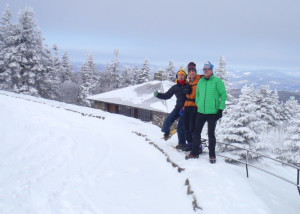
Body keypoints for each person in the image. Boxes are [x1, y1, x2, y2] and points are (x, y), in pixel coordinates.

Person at [185, 61, 227, 164]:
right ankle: (194, 152)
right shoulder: (201, 81)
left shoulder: (217, 81)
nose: (205, 71)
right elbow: (198, 95)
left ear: (212, 70)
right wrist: (198, 103)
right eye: (204, 69)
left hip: (213, 113)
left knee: (211, 134)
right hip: (201, 112)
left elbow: (223, 96)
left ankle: (212, 155)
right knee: (196, 133)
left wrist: (220, 109)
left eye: (207, 69)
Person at [154, 69, 187, 149]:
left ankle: (182, 144)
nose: (181, 76)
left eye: (183, 75)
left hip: (186, 110)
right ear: (177, 76)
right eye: (179, 75)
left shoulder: (188, 86)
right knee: (166, 122)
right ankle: (167, 132)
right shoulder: (175, 87)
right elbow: (167, 96)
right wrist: (158, 95)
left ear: (185, 77)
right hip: (178, 108)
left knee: (180, 127)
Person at [180, 62, 204, 151]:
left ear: (195, 71)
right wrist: (183, 108)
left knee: (193, 127)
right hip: (187, 106)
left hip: (195, 106)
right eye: (190, 71)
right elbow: (186, 97)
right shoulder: (189, 82)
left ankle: (197, 145)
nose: (191, 73)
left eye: (193, 71)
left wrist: (199, 106)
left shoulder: (200, 81)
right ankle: (190, 143)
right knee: (185, 126)